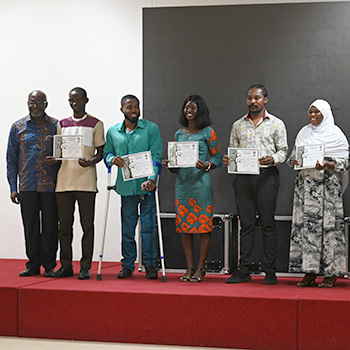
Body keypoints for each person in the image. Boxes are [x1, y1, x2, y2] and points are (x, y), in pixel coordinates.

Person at [223, 84, 288, 285]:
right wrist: (229, 160)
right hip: (243, 178)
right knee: (246, 224)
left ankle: (270, 271)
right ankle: (244, 270)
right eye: (249, 98)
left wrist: (273, 159)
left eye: (257, 98)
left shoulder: (276, 123)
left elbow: (284, 151)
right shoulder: (238, 125)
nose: (252, 102)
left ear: (265, 100)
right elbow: (233, 151)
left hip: (267, 177)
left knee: (268, 223)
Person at [288, 99, 349, 288]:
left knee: (329, 230)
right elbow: (292, 158)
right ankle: (309, 271)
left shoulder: (335, 134)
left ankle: (331, 273)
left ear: (326, 114)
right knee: (307, 230)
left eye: (317, 113)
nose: (313, 116)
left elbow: (345, 162)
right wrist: (295, 162)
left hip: (328, 191)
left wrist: (328, 164)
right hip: (306, 190)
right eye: (310, 112)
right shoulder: (304, 133)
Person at [162, 95, 223, 282]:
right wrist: (170, 165)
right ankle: (189, 267)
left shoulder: (208, 132)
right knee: (184, 228)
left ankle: (201, 267)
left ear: (200, 110)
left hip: (201, 185)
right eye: (186, 108)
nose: (188, 111)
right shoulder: (179, 134)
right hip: (183, 186)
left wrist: (207, 165)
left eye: (193, 108)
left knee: (203, 227)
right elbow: (176, 164)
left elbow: (218, 158)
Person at [103, 94, 162, 279]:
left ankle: (150, 264)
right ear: (122, 109)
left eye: (136, 107)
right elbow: (106, 154)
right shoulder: (113, 131)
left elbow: (157, 155)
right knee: (127, 229)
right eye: (129, 107)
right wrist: (113, 159)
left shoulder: (151, 128)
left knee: (148, 228)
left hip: (146, 186)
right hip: (126, 188)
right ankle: (127, 265)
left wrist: (152, 179)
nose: (134, 110)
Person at [53, 87, 105, 280]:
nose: (75, 103)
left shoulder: (96, 124)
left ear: (86, 100)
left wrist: (90, 162)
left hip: (86, 182)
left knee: (87, 226)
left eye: (78, 100)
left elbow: (100, 153)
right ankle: (65, 264)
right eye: (72, 100)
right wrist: (54, 159)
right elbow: (59, 153)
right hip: (64, 182)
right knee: (64, 227)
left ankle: (85, 267)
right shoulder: (62, 124)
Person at [6, 90, 59, 277]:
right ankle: (33, 264)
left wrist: (56, 161)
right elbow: (11, 159)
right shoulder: (17, 127)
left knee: (51, 226)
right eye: (31, 102)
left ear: (46, 104)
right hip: (27, 186)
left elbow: (63, 155)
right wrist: (13, 187)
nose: (34, 106)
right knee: (30, 226)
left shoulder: (55, 126)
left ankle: (50, 264)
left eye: (38, 102)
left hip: (50, 185)